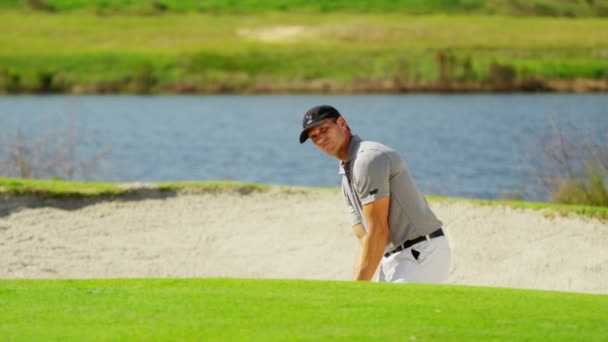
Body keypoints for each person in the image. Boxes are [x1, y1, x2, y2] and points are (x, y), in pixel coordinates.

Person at [299, 104, 451, 283]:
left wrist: (357, 289)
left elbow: (378, 230)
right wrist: (355, 284)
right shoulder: (346, 174)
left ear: (341, 123)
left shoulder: (368, 158)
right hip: (390, 258)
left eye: (324, 130)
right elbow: (364, 238)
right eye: (314, 137)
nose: (320, 139)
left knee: (394, 310)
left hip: (420, 251)